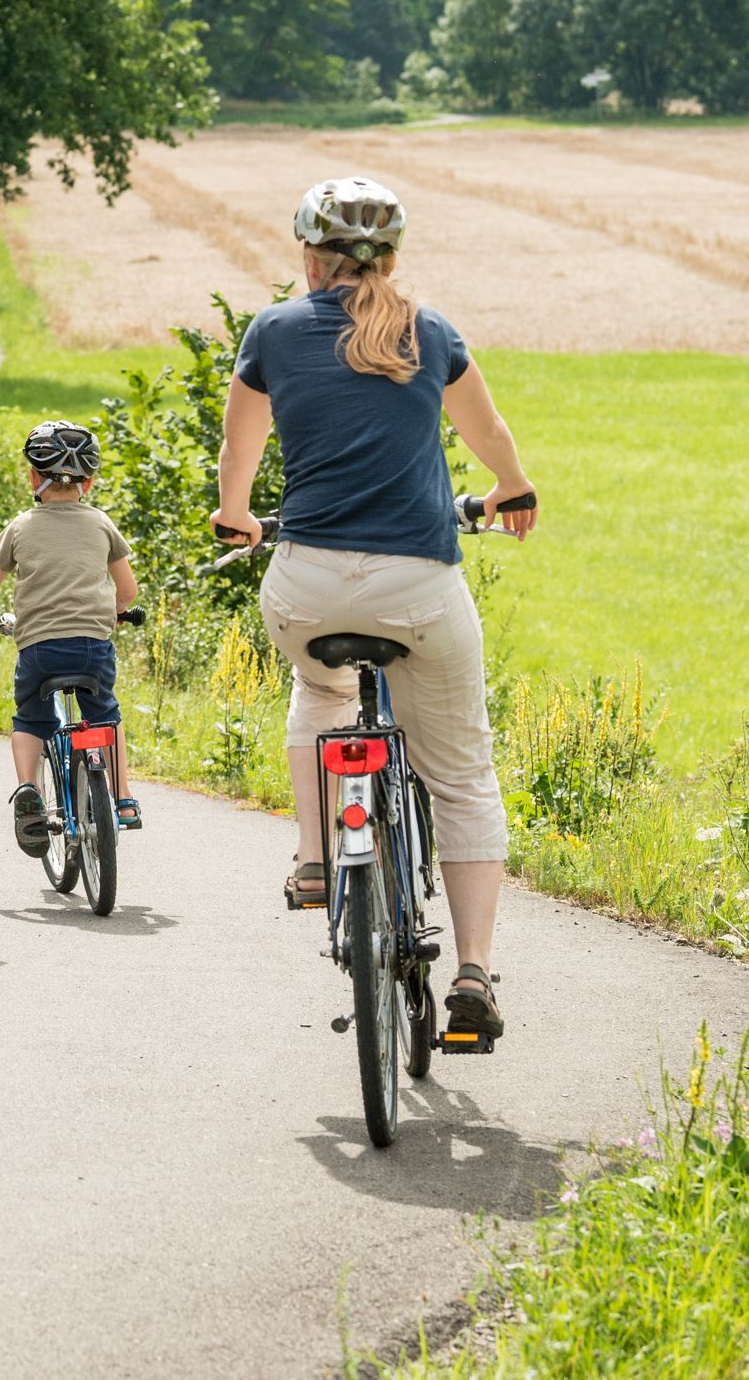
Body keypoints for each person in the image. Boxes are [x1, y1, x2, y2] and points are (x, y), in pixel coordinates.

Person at [207, 178, 537, 1045]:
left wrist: (235, 515)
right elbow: (488, 432)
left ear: (308, 256)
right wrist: (512, 488)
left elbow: (239, 450)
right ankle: (471, 971)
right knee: (461, 775)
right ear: (390, 257)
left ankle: (317, 860)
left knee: (322, 694)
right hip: (419, 585)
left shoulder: (274, 331)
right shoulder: (429, 332)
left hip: (308, 584)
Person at [0, 420, 143, 854]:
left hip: (39, 650)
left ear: (34, 478)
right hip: (93, 648)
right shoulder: (100, 524)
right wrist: (115, 613)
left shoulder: (20, 527)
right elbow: (128, 590)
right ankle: (124, 798)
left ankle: (27, 791)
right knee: (106, 718)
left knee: (31, 720)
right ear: (88, 483)